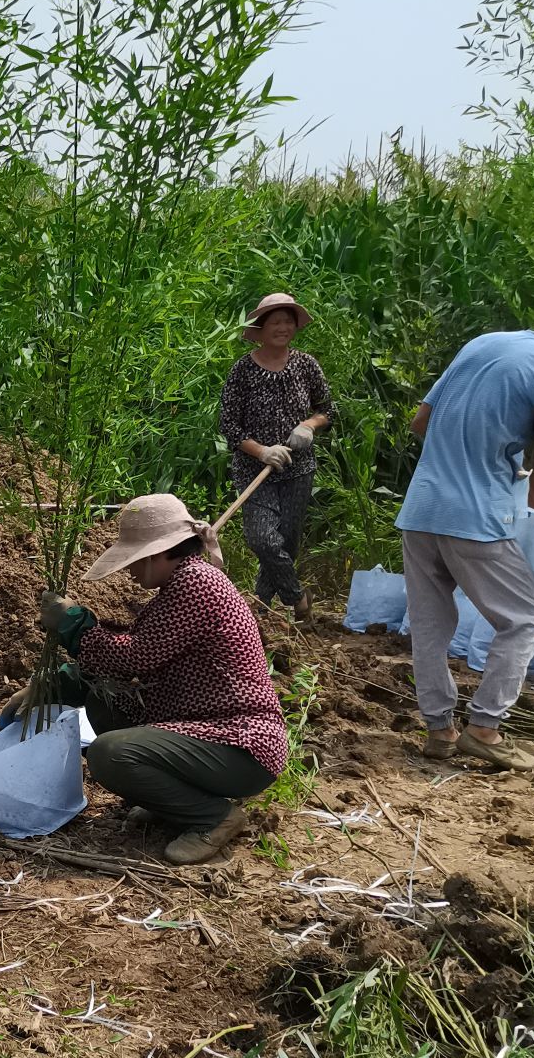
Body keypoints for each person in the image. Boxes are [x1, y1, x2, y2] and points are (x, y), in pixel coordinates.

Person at [36, 494, 287, 865]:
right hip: (206, 731)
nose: (129, 570)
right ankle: (173, 803)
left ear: (159, 553)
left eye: (135, 559)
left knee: (109, 754)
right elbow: (130, 659)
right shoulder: (180, 586)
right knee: (105, 704)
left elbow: (135, 657)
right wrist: (55, 683)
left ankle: (213, 817)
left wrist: (74, 625)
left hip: (240, 746)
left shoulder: (197, 583)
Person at [398, 310, 534, 768]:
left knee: (430, 626)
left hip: (422, 509)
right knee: (525, 619)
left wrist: (478, 454)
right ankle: (485, 727)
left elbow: (421, 422)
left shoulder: (482, 343)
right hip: (475, 517)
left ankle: (440, 731)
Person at [218, 291, 333, 612]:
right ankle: (297, 598)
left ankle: (261, 604)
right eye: (275, 322)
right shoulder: (243, 371)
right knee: (262, 539)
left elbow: (328, 409)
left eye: (288, 321)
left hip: (299, 470)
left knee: (287, 542)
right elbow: (228, 424)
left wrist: (309, 425)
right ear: (261, 328)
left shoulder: (306, 365)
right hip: (255, 470)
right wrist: (262, 451)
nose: (282, 327)